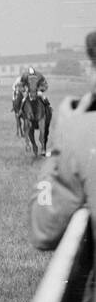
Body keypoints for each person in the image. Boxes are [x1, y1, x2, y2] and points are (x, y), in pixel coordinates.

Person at [30, 31, 96, 258]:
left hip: (41, 96)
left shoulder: (40, 77)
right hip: (28, 94)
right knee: (21, 105)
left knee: (45, 104)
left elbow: (43, 232)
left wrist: (61, 145)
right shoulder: (25, 77)